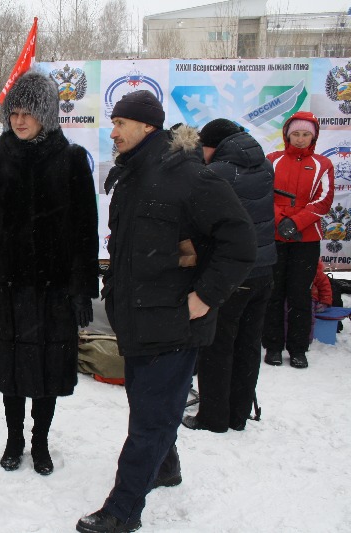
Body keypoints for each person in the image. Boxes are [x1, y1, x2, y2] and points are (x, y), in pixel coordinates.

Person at [76, 91, 256, 533]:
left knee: (150, 418)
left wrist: (206, 297)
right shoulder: (133, 175)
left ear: (147, 127)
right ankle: (166, 466)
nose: (113, 132)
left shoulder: (189, 177)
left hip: (175, 322)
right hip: (137, 319)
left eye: (120, 123)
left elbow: (241, 243)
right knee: (148, 407)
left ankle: (122, 511)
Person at [0, 71, 99, 475]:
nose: (19, 121)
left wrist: (81, 289)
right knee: (10, 373)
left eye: (28, 112)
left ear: (47, 115)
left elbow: (84, 231)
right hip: (7, 289)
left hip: (53, 291)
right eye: (14, 113)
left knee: (47, 372)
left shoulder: (72, 161)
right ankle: (13, 438)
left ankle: (40, 442)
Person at [181, 119, 276, 434]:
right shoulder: (264, 165)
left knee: (218, 345)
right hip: (264, 269)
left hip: (233, 272)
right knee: (249, 346)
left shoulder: (219, 173)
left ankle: (214, 417)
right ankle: (238, 413)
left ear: (213, 145)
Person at [262, 111, 334, 369]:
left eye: (306, 134)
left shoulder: (323, 164)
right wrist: (282, 220)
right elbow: (263, 195)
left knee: (300, 294)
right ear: (287, 134)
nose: (301, 139)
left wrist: (297, 221)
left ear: (313, 136)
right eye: (296, 134)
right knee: (273, 292)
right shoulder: (272, 160)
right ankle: (272, 346)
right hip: (275, 236)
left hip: (306, 240)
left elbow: (323, 201)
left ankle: (298, 348)